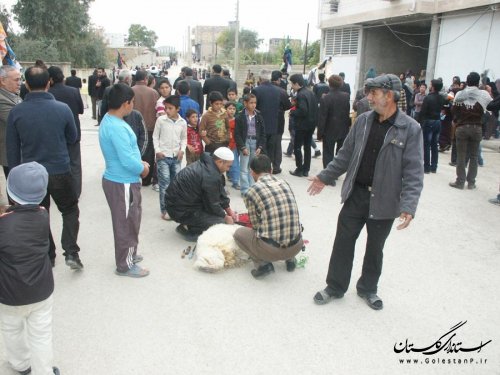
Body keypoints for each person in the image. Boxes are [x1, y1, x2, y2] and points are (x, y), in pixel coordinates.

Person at [308, 74, 424, 310]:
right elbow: (345, 155)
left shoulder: (410, 129)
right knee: (343, 242)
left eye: (374, 93)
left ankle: (368, 289)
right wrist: (324, 177)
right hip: (356, 195)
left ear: (389, 95)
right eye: (368, 92)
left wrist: (408, 206)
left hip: (385, 201)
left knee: (375, 248)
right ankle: (335, 286)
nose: (368, 97)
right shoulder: (362, 121)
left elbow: (414, 171)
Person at [7, 66, 83, 270]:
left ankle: (48, 255)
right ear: (48, 83)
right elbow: (72, 137)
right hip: (59, 170)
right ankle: (71, 252)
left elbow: (12, 149)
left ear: (27, 84)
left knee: (40, 213)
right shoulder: (62, 109)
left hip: (31, 174)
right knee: (69, 209)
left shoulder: (17, 112)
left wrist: (14, 180)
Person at [0, 162, 60, 375]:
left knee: (11, 329)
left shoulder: (3, 224)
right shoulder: (43, 215)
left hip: (8, 293)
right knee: (41, 334)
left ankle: (20, 363)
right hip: (41, 290)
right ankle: (43, 370)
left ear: (10, 192)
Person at [99, 83, 150, 278]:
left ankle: (130, 254)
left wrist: (138, 162)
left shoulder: (109, 119)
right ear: (125, 103)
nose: (133, 106)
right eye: (132, 102)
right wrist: (142, 168)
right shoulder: (117, 127)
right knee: (126, 224)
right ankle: (125, 265)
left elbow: (127, 154)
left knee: (130, 221)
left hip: (120, 179)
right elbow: (127, 160)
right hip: (123, 182)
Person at [233, 154, 304, 279]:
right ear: (271, 170)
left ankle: (263, 265)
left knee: (238, 234)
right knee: (285, 222)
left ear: (252, 173)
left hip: (271, 251)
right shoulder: (285, 183)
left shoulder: (251, 191)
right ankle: (290, 259)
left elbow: (255, 226)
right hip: (297, 245)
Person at [165, 147, 236, 242]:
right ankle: (189, 229)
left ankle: (190, 223)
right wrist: (225, 217)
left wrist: (229, 210)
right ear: (219, 162)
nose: (228, 169)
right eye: (228, 166)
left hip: (181, 204)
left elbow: (220, 193)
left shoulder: (209, 166)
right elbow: (212, 204)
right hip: (179, 210)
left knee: (219, 216)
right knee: (221, 222)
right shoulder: (210, 175)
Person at [449, 72, 492, 190]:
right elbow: (490, 108)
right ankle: (471, 182)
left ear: (467, 81)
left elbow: (454, 110)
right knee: (474, 156)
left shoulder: (460, 94)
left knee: (461, 156)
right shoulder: (484, 95)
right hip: (477, 127)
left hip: (462, 127)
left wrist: (457, 119)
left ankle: (460, 181)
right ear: (478, 82)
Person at [47, 66, 85, 197]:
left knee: (56, 162)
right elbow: (81, 110)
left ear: (50, 79)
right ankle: (76, 191)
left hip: (54, 134)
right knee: (75, 162)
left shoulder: (48, 93)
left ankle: (58, 190)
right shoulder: (74, 91)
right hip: (73, 131)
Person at [152, 95, 187, 220]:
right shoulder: (161, 120)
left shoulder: (182, 122)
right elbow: (155, 137)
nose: (167, 111)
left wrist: (182, 150)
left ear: (178, 109)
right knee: (164, 184)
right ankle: (165, 210)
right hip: (163, 157)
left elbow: (184, 139)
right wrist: (158, 151)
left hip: (176, 158)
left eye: (170, 108)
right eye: (166, 108)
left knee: (176, 184)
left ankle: (174, 208)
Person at [252, 69, 290, 175]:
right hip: (276, 124)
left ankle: (262, 169)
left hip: (260, 124)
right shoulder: (280, 91)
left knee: (261, 147)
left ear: (260, 79)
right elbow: (287, 105)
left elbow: (253, 106)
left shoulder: (257, 90)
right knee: (274, 147)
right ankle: (273, 168)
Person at [317, 74, 351, 170]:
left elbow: (322, 117)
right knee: (339, 152)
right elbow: (346, 113)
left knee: (328, 152)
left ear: (329, 84)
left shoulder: (325, 98)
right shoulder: (346, 96)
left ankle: (328, 173)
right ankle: (336, 171)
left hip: (329, 129)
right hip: (342, 128)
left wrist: (320, 134)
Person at [133, 70, 160, 187]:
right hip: (149, 126)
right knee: (149, 152)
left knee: (134, 151)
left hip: (133, 126)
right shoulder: (153, 92)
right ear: (145, 79)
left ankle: (135, 175)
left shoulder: (130, 91)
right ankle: (146, 179)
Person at [235, 93, 266, 196]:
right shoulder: (240, 116)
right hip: (245, 142)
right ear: (245, 103)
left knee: (253, 167)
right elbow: (237, 134)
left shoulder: (259, 116)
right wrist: (242, 147)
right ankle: (244, 190)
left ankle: (252, 189)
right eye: (251, 103)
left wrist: (260, 146)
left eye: (255, 103)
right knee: (244, 167)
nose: (253, 105)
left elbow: (263, 133)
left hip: (255, 143)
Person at [288, 73, 318, 178]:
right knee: (307, 147)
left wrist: (293, 113)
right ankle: (306, 169)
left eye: (292, 84)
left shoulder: (300, 95)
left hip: (302, 125)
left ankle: (299, 169)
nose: (291, 86)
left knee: (297, 147)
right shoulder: (310, 92)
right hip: (311, 124)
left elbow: (303, 110)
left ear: (296, 84)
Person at [420, 79, 446, 174]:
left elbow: (423, 111)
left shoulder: (428, 98)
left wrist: (420, 122)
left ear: (433, 87)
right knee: (434, 145)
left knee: (426, 145)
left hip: (428, 121)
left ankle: (426, 167)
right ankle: (434, 167)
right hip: (437, 121)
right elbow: (445, 106)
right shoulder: (441, 98)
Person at [0, 65, 22, 180]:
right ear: (3, 81)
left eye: (20, 79)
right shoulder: (1, 99)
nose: (20, 83)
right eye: (16, 80)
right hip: (10, 154)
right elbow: (16, 121)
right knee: (15, 189)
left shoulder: (14, 96)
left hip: (20, 151)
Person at [226, 101, 240, 190]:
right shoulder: (223, 120)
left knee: (235, 163)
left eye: (234, 109)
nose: (232, 111)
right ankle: (229, 176)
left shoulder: (237, 121)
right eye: (230, 109)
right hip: (224, 144)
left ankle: (235, 181)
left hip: (234, 145)